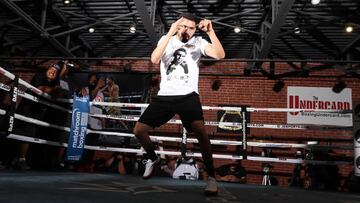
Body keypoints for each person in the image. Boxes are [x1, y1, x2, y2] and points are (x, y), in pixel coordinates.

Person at [133, 12, 225, 196]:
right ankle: (153, 158)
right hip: (165, 96)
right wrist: (170, 33)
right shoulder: (166, 40)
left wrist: (211, 32)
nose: (187, 31)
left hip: (187, 95)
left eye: (191, 28)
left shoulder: (198, 42)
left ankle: (212, 177)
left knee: (200, 131)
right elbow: (154, 59)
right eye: (183, 26)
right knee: (138, 130)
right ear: (177, 26)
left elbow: (220, 55)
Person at [12, 63, 61, 170]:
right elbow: (42, 88)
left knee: (27, 135)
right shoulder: (40, 76)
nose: (52, 72)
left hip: (37, 112)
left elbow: (58, 95)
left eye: (55, 72)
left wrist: (55, 89)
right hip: (27, 109)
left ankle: (16, 159)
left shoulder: (54, 82)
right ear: (47, 69)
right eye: (51, 69)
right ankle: (20, 159)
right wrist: (54, 89)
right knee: (25, 133)